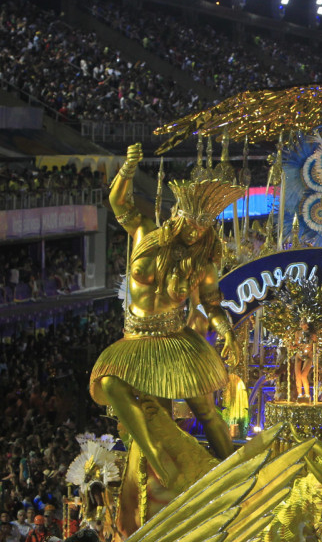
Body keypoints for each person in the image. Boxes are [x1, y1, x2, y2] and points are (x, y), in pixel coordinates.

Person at [91, 143, 244, 486]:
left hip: (176, 341)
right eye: (190, 224)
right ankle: (156, 456)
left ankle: (233, 473)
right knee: (111, 383)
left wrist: (228, 332)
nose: (194, 233)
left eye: (201, 229)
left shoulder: (202, 263)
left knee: (205, 410)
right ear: (178, 216)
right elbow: (118, 203)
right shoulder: (145, 233)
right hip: (136, 339)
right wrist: (127, 170)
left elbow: (213, 306)